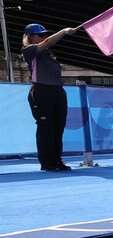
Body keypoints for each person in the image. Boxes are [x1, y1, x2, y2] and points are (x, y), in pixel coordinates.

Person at [21, 23, 76, 171]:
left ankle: (57, 160)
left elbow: (47, 44)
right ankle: (47, 162)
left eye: (45, 34)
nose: (44, 37)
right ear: (30, 37)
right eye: (40, 34)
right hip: (41, 91)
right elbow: (47, 42)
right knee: (46, 127)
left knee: (58, 127)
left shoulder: (49, 53)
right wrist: (63, 30)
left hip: (57, 91)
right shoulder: (29, 50)